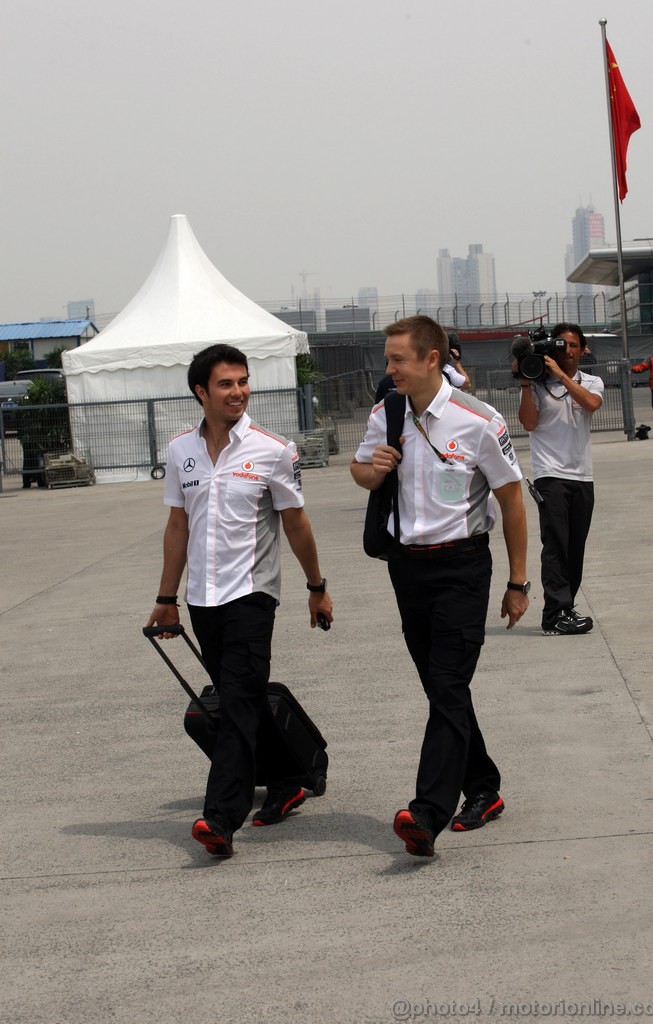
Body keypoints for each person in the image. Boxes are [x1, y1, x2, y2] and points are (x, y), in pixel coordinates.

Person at [351, 315, 529, 858]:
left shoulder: (478, 419)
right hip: (406, 568)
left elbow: (512, 499)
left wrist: (519, 580)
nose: (390, 369)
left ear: (433, 358)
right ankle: (484, 787)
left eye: (398, 359)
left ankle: (426, 812)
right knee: (441, 687)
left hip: (463, 568)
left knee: (448, 683)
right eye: (388, 360)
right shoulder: (388, 413)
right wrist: (374, 469)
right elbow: (359, 472)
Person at [146, 344, 333, 859]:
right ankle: (290, 777)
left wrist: (316, 587)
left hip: (252, 594)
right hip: (202, 599)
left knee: (237, 700)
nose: (238, 392)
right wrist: (167, 597)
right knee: (240, 698)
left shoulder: (275, 449)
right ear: (201, 391)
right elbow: (178, 525)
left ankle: (221, 818)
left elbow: (296, 523)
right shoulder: (181, 449)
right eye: (226, 384)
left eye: (243, 382)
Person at [518, 322, 604, 637]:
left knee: (575, 546)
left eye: (572, 345)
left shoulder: (592, 382)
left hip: (582, 475)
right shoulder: (538, 384)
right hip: (549, 474)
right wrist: (526, 384)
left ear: (582, 350)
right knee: (555, 544)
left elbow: (591, 404)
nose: (566, 350)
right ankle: (554, 614)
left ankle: (565, 607)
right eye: (561, 345)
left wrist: (561, 376)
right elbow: (528, 422)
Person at [374, 330, 467, 403]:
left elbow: (466, 383)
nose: (388, 370)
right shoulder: (383, 410)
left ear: (431, 359)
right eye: (388, 360)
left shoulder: (445, 376)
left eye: (399, 359)